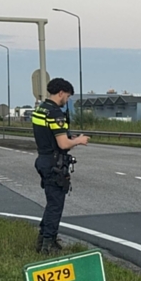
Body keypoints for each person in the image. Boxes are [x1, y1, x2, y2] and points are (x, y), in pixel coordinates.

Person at [32, 78, 90, 254]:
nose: (67, 100)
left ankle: (43, 238)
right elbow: (63, 144)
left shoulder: (40, 110)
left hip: (43, 158)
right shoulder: (55, 114)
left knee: (52, 202)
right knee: (55, 204)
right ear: (61, 93)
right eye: (68, 96)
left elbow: (50, 138)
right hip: (54, 162)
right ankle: (48, 244)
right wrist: (79, 141)